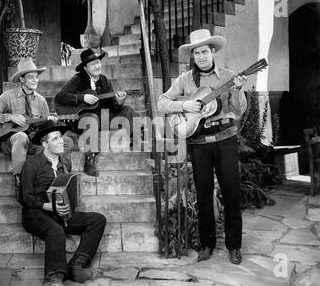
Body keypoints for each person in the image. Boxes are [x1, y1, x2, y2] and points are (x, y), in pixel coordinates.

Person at [158, 29, 247, 265]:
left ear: (213, 51)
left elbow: (239, 111)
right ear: (193, 56)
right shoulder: (185, 80)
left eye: (205, 51)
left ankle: (234, 246)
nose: (201, 56)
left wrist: (237, 90)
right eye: (196, 53)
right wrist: (186, 104)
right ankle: (207, 244)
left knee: (231, 193)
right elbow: (162, 102)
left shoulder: (229, 76)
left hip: (225, 139)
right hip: (198, 143)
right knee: (203, 194)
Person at [19, 120, 106, 286]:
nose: (60, 141)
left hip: (58, 212)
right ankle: (53, 278)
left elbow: (65, 188)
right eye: (55, 139)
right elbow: (25, 197)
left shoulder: (64, 163)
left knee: (97, 219)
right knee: (56, 230)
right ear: (45, 144)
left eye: (60, 137)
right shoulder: (32, 163)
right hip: (36, 213)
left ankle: (76, 264)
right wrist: (47, 206)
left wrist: (66, 206)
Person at [0, 58, 69, 199]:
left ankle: (54, 180)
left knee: (60, 143)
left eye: (36, 77)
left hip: (32, 141)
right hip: (10, 141)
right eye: (31, 77)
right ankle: (19, 181)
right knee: (21, 136)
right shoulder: (8, 96)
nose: (35, 80)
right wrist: (9, 117)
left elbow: (44, 128)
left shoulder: (41, 101)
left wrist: (51, 123)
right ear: (22, 79)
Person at [54, 48, 136, 177]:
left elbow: (113, 107)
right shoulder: (78, 79)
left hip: (102, 118)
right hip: (83, 120)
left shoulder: (105, 81)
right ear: (85, 68)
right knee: (91, 118)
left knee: (128, 110)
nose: (97, 66)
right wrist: (82, 98)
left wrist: (119, 102)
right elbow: (60, 97)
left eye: (98, 62)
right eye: (93, 64)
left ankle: (129, 140)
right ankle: (89, 159)